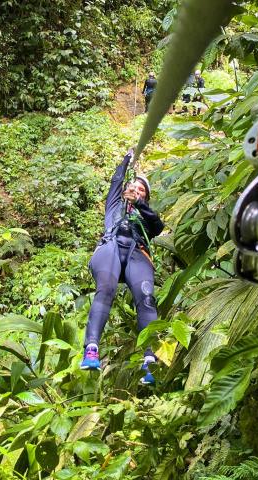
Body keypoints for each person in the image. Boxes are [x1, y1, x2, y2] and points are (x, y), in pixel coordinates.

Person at [80, 148, 164, 385]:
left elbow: (158, 226)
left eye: (142, 190)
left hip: (138, 253)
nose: (136, 190)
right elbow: (117, 180)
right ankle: (91, 349)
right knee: (106, 289)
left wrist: (139, 204)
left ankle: (150, 360)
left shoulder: (146, 214)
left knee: (146, 297)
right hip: (111, 247)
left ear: (145, 197)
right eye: (133, 187)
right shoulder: (115, 203)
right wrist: (127, 160)